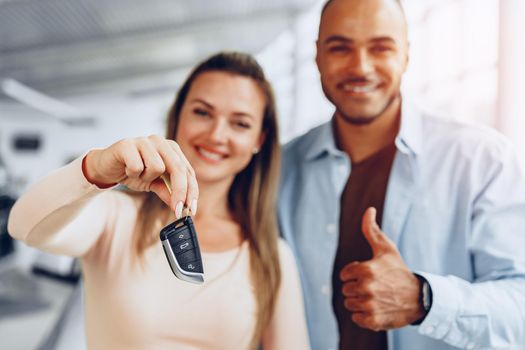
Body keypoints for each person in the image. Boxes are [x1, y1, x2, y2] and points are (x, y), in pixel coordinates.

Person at [8, 52, 310, 350]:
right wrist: (97, 167)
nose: (217, 134)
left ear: (259, 139)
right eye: (202, 112)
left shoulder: (271, 255)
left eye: (240, 124)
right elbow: (24, 226)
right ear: (177, 118)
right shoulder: (116, 218)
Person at [278, 0, 525, 349]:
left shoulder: (482, 160)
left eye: (381, 47)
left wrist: (424, 299)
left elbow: (520, 306)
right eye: (340, 47)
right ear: (317, 55)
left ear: (407, 54)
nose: (360, 67)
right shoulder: (280, 170)